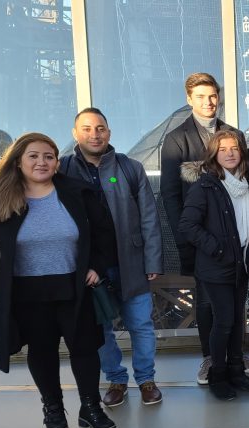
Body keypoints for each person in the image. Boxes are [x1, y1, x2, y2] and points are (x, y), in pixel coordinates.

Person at [0, 133, 117, 428]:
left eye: (49, 157)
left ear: (56, 163)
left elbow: (104, 232)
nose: (42, 162)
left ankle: (90, 408)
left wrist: (96, 266)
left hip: (74, 287)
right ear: (18, 161)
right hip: (26, 292)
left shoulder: (78, 192)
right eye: (34, 156)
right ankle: (53, 409)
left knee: (85, 349)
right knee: (41, 351)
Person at [60, 108, 165, 407]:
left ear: (109, 132)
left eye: (100, 128)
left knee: (141, 326)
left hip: (130, 262)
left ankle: (146, 380)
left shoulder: (130, 168)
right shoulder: (63, 170)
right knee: (101, 329)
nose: (95, 134)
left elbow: (149, 217)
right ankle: (116, 380)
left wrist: (153, 260)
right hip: (89, 268)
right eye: (87, 129)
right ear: (75, 134)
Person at [161, 72, 249, 385]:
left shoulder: (233, 133)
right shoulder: (176, 138)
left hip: (234, 240)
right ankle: (210, 359)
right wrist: (187, 241)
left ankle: (233, 358)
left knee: (233, 308)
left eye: (213, 95)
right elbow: (171, 194)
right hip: (202, 240)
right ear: (189, 99)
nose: (208, 102)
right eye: (201, 96)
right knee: (205, 303)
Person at [179, 131, 249, 400]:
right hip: (216, 266)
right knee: (224, 320)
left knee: (237, 321)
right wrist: (217, 248)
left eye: (234, 148)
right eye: (223, 149)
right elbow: (187, 225)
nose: (230, 153)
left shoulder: (247, 185)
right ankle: (218, 375)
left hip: (241, 264)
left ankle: (237, 371)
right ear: (214, 154)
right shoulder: (206, 186)